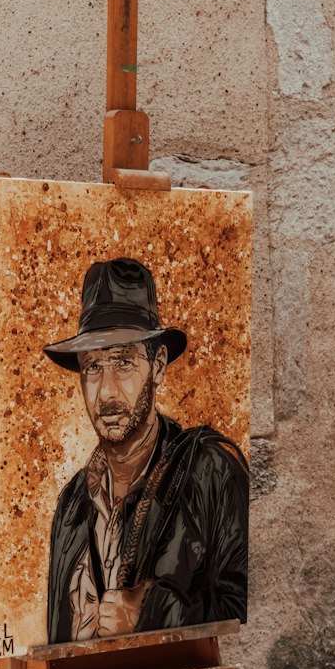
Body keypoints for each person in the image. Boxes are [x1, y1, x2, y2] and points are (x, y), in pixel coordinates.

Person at [43, 257, 248, 643]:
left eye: (123, 363)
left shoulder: (212, 471)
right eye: (92, 367)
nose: (105, 392)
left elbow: (241, 611)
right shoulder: (71, 504)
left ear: (157, 366)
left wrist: (153, 613)